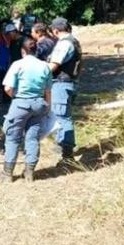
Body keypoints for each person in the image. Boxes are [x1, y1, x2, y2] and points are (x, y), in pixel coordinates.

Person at [2, 37, 52, 182]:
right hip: (39, 104)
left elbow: (8, 88)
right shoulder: (45, 66)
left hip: (20, 104)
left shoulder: (17, 64)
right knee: (33, 138)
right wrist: (47, 107)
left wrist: (16, 97)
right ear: (36, 50)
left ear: (23, 51)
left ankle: (8, 174)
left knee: (12, 138)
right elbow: (48, 91)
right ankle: (29, 172)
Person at [47, 17, 82, 163]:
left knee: (62, 117)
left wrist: (37, 76)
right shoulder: (74, 42)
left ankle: (67, 156)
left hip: (62, 84)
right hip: (69, 83)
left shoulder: (64, 44)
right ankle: (63, 146)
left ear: (55, 31)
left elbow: (53, 65)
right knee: (62, 116)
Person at [0, 23, 11, 103]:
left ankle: (8, 97)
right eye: (3, 26)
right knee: (2, 80)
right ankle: (4, 98)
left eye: (5, 26)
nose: (4, 28)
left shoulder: (10, 36)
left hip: (8, 60)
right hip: (1, 60)